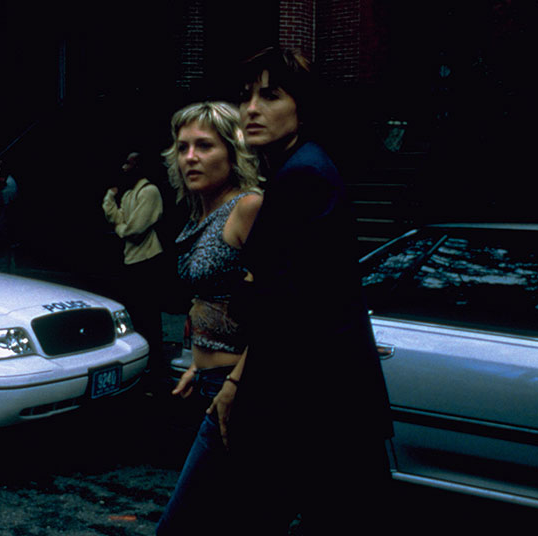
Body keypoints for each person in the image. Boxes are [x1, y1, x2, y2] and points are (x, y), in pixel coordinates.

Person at [219, 47, 394, 534]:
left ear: (303, 109)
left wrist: (244, 293)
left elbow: (285, 304)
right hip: (324, 401)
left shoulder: (304, 175)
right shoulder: (299, 168)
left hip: (318, 407)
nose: (251, 109)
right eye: (245, 97)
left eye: (270, 95)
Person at [155, 102, 262, 536]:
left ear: (233, 153)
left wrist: (235, 383)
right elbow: (218, 297)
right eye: (183, 148)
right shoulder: (201, 212)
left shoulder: (249, 207)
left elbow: (281, 309)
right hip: (211, 381)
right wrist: (197, 364)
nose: (190, 158)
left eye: (204, 146)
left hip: (241, 388)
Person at [102, 151, 166, 378]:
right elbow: (115, 217)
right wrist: (110, 197)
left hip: (147, 260)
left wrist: (121, 230)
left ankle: (156, 368)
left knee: (149, 316)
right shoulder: (130, 193)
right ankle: (143, 365)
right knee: (136, 316)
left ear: (139, 166)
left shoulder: (149, 192)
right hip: (132, 260)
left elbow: (134, 230)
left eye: (128, 164)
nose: (124, 168)